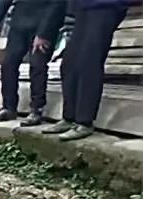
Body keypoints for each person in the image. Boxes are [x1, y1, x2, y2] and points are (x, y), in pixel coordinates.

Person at [43, 0, 135, 141]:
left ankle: (84, 122)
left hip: (106, 7)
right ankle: (69, 118)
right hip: (84, 8)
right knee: (69, 62)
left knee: (89, 61)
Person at [0, 0, 67, 126]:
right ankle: (8, 107)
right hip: (20, 23)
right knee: (8, 63)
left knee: (37, 65)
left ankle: (36, 109)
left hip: (44, 23)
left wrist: (43, 33)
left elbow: (58, 4)